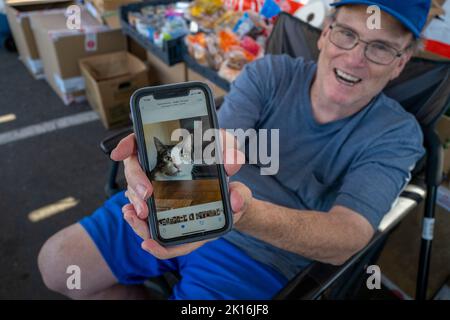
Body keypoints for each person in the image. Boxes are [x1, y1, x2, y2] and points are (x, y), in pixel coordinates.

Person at [38, 0, 431, 299]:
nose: (355, 57)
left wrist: (237, 214)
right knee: (57, 264)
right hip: (185, 205)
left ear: (400, 63)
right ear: (326, 34)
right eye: (347, 34)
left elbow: (348, 236)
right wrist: (163, 161)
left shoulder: (397, 134)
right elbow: (218, 148)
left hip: (262, 255)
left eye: (380, 48)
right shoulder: (269, 72)